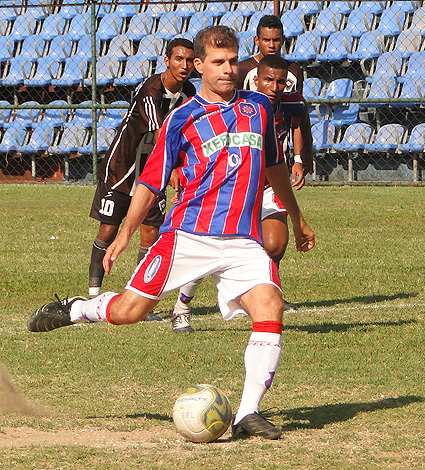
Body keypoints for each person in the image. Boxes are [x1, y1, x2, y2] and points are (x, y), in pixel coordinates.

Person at [27, 26, 315, 441]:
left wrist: (298, 217)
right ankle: (73, 309)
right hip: (188, 235)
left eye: (233, 61)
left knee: (270, 308)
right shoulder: (182, 118)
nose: (228, 69)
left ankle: (248, 412)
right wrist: (126, 232)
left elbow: (274, 168)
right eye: (218, 62)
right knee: (129, 312)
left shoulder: (259, 108)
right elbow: (151, 182)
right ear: (199, 66)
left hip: (242, 241)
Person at [171, 54, 314, 332]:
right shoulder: (241, 105)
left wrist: (298, 159)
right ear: (256, 80)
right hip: (233, 189)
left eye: (281, 82)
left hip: (269, 186)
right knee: (208, 249)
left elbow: (299, 125)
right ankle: (182, 306)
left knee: (275, 244)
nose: (274, 86)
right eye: (268, 80)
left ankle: (261, 295)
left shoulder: (293, 103)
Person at [87, 38, 196, 322]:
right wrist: (172, 167)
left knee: (150, 233)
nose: (184, 66)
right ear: (167, 60)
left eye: (188, 60)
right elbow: (160, 133)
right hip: (123, 166)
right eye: (178, 59)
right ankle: (93, 293)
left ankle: (137, 300)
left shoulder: (191, 93)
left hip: (155, 168)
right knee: (108, 230)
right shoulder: (152, 89)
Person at [237, 14, 304, 94]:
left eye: (276, 40)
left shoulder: (294, 70)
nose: (271, 45)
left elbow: (297, 102)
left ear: (283, 40)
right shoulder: (242, 69)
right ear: (257, 41)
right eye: (266, 40)